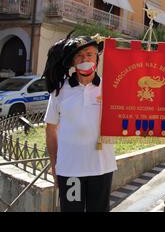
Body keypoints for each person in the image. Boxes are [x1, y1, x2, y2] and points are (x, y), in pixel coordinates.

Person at [44, 34, 117, 212]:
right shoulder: (59, 92)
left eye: (90, 54)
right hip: (70, 171)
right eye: (80, 55)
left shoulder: (111, 89)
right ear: (73, 62)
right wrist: (54, 165)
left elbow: (134, 114)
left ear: (97, 60)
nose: (85, 58)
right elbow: (50, 130)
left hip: (101, 168)